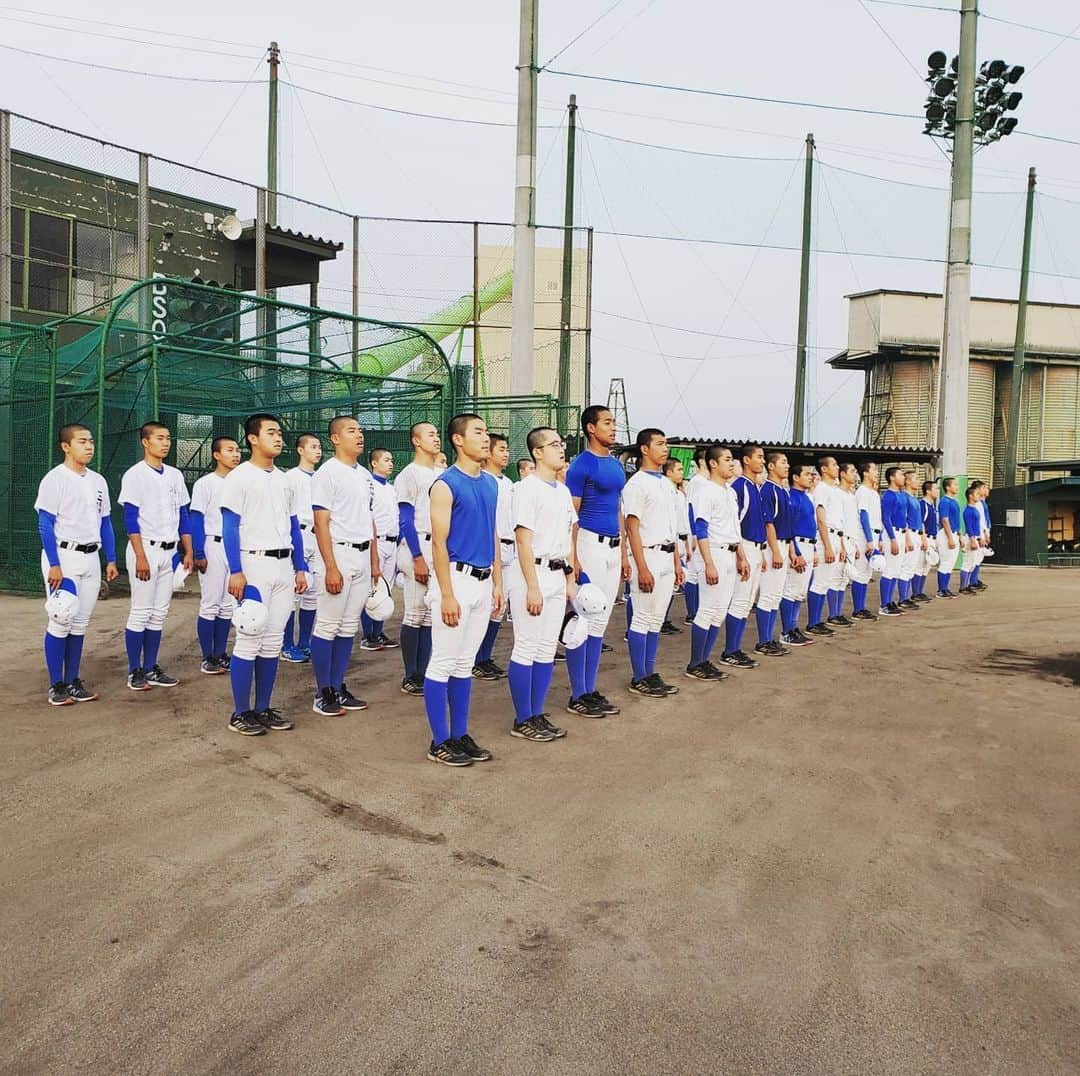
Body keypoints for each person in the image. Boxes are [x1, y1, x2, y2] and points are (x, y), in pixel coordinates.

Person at [220, 413, 308, 735]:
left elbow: (294, 526)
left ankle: (263, 708)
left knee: (272, 643)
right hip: (252, 564)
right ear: (252, 439)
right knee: (249, 637)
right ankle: (240, 712)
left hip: (283, 566)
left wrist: (301, 566)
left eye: (280, 432)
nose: (278, 437)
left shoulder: (285, 479)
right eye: (271, 432)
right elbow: (229, 525)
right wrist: (236, 570)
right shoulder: (239, 477)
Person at [423, 413, 503, 767]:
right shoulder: (445, 484)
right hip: (455, 580)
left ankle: (459, 733)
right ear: (458, 440)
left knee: (465, 664)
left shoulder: (491, 483)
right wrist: (447, 594)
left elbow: (493, 535)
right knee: (443, 662)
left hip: (484, 582)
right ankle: (439, 741)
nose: (486, 439)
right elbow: (438, 545)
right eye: (478, 432)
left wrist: (498, 582)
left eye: (486, 432)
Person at [34, 423, 119, 705]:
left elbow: (105, 522)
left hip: (90, 556)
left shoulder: (98, 481)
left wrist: (111, 558)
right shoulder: (54, 479)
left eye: (91, 441)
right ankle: (56, 684)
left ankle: (72, 680)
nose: (89, 446)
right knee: (61, 617)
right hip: (63, 555)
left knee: (80, 623)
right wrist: (55, 565)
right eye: (82, 441)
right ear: (66, 446)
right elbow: (45, 523)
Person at [505, 427, 575, 742]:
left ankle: (536, 712)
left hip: (558, 574)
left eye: (562, 444)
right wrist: (532, 586)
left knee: (547, 648)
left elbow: (568, 537)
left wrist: (571, 578)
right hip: (532, 574)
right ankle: (523, 718)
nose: (561, 449)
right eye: (554, 444)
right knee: (527, 645)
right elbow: (523, 540)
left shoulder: (560, 490)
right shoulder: (527, 488)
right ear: (537, 452)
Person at [308, 416, 380, 717]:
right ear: (335, 438)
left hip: (363, 555)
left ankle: (338, 685)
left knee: (348, 626)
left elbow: (369, 518)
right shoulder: (327, 473)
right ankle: (323, 691)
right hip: (338, 554)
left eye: (361, 430)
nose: (359, 435)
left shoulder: (364, 475)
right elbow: (321, 522)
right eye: (352, 431)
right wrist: (330, 566)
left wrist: (375, 561)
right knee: (327, 624)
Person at [118, 421, 193, 691]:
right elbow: (130, 518)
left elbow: (183, 514)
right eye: (159, 438)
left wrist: (189, 551)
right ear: (145, 442)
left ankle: (151, 666)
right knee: (140, 612)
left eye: (168, 438)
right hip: (145, 549)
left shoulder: (174, 474)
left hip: (169, 549)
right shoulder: (135, 475)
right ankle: (134, 670)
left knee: (159, 613)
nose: (166, 442)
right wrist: (139, 556)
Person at [564, 405, 628, 718]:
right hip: (588, 543)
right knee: (584, 618)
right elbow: (571, 516)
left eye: (613, 422)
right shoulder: (581, 466)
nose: (613, 427)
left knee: (600, 622)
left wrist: (625, 553)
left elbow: (618, 509)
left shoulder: (615, 466)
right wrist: (573, 558)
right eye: (607, 422)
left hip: (613, 548)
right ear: (591, 428)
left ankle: (589, 689)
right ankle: (578, 694)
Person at [622, 428, 682, 697]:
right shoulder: (637, 484)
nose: (664, 448)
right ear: (644, 449)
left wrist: (678, 563)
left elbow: (673, 528)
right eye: (659, 444)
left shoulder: (667, 484)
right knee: (642, 617)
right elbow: (631, 527)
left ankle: (649, 670)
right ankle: (639, 677)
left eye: (665, 443)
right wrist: (642, 566)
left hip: (667, 555)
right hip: (647, 554)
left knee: (656, 619)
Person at [686, 444, 749, 679]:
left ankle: (705, 660)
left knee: (720, 611)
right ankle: (695, 663)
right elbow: (701, 529)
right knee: (707, 609)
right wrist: (709, 563)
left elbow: (735, 528)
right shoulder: (705, 490)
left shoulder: (729, 492)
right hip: (714, 552)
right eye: (727, 459)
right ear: (713, 463)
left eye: (732, 460)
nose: (732, 464)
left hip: (731, 551)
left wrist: (741, 556)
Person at [395, 421, 441, 695]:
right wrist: (417, 556)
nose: (436, 438)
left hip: (438, 546)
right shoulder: (409, 474)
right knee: (414, 613)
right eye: (430, 434)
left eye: (437, 434)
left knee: (428, 617)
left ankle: (422, 672)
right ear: (416, 440)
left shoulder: (441, 472)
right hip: (418, 546)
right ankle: (410, 675)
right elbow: (405, 519)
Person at [190, 435, 242, 675]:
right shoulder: (206, 483)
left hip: (236, 545)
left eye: (238, 449)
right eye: (229, 450)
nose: (236, 453)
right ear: (216, 455)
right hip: (212, 543)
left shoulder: (241, 481)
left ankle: (220, 653)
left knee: (226, 605)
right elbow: (197, 517)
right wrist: (198, 550)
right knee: (210, 603)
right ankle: (207, 656)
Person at [720, 444, 767, 669]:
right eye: (759, 457)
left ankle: (735, 648)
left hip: (756, 547)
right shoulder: (740, 487)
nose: (762, 461)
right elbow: (734, 524)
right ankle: (730, 650)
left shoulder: (755, 487)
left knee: (747, 602)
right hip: (744, 546)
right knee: (739, 600)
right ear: (746, 460)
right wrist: (740, 555)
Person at [473, 432, 514, 680]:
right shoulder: (482, 480)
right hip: (490, 549)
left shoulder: (508, 483)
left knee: (499, 608)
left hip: (510, 550)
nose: (505, 453)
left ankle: (485, 657)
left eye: (506, 448)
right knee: (485, 607)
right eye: (500, 448)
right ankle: (475, 658)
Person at [282, 432, 323, 663]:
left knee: (312, 595)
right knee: (292, 594)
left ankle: (304, 642)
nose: (317, 451)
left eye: (319, 447)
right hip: (297, 534)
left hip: (318, 536)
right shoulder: (291, 477)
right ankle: (286, 644)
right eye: (313, 447)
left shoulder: (320, 477)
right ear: (300, 450)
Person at [360, 446, 400, 651]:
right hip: (377, 542)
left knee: (386, 589)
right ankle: (368, 635)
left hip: (392, 542)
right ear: (374, 463)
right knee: (372, 589)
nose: (390, 463)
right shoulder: (369, 486)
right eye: (386, 459)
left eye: (391, 459)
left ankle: (379, 631)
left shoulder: (391, 488)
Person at [755, 451, 793, 656]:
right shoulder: (768, 490)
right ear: (771, 466)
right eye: (783, 462)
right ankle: (763, 641)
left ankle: (769, 638)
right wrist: (776, 552)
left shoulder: (783, 490)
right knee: (768, 594)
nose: (787, 466)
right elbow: (769, 523)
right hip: (773, 546)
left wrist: (791, 551)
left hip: (784, 544)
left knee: (776, 595)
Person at [806, 455, 846, 636]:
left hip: (836, 536)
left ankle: (818, 621)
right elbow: (821, 520)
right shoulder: (821, 489)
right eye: (834, 464)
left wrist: (842, 546)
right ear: (824, 469)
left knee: (827, 581)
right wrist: (828, 546)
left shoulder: (835, 491)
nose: (837, 467)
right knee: (820, 581)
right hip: (826, 538)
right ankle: (813, 622)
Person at [779, 463, 816, 647]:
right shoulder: (791, 498)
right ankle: (786, 630)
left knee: (800, 591)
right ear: (796, 477)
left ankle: (793, 627)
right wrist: (796, 552)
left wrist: (814, 551)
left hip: (809, 544)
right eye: (807, 474)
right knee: (791, 589)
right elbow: (789, 527)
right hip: (798, 544)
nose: (811, 477)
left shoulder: (806, 498)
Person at [661, 456, 690, 635]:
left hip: (678, 540)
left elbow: (682, 521)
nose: (682, 473)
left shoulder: (678, 493)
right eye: (678, 469)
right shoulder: (664, 491)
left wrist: (687, 544)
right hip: (665, 543)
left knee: (672, 584)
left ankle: (664, 619)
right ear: (669, 471)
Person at [850, 461, 881, 622]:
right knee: (861, 572)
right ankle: (858, 609)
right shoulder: (862, 491)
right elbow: (864, 515)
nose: (876, 472)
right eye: (874, 470)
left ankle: (861, 607)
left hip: (874, 535)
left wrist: (878, 539)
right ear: (865, 473)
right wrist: (869, 540)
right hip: (864, 535)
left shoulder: (873, 492)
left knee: (867, 573)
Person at [682, 446, 709, 625]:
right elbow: (691, 509)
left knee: (697, 574)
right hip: (697, 533)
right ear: (701, 461)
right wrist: (692, 534)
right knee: (693, 574)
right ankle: (692, 612)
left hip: (700, 533)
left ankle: (695, 610)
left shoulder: (703, 481)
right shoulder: (698, 481)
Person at [836, 462, 864, 625]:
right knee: (836, 579)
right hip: (842, 539)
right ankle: (833, 614)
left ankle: (838, 613)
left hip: (852, 540)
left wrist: (856, 545)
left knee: (844, 580)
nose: (855, 474)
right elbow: (838, 521)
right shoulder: (837, 494)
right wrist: (842, 544)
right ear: (842, 474)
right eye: (852, 471)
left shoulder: (851, 495)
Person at [878, 466, 908, 617]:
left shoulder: (902, 495)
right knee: (889, 570)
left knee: (896, 569)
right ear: (892, 478)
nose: (904, 477)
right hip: (893, 533)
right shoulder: (889, 495)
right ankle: (884, 604)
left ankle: (890, 602)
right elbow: (886, 518)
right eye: (901, 475)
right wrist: (892, 539)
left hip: (902, 532)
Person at [902, 471, 929, 607]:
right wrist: (907, 538)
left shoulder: (915, 499)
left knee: (912, 567)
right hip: (909, 533)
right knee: (906, 567)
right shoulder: (905, 498)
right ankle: (903, 598)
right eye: (916, 478)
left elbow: (920, 521)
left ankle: (906, 597)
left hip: (917, 533)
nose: (918, 481)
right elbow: (904, 519)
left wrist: (923, 537)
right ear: (907, 481)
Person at [936, 477, 961, 597]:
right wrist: (950, 537)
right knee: (945, 562)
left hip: (954, 533)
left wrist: (959, 536)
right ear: (947, 487)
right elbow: (944, 520)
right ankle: (941, 589)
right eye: (954, 485)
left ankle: (946, 588)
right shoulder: (944, 501)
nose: (957, 487)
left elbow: (956, 520)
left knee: (950, 563)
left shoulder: (954, 501)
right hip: (946, 533)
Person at [918, 479, 940, 603]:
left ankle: (920, 591)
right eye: (935, 488)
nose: (937, 491)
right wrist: (923, 539)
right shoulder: (923, 505)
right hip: (925, 538)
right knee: (920, 566)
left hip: (932, 538)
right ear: (928, 491)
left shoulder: (932, 506)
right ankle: (916, 593)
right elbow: (920, 522)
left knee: (926, 567)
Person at [960, 486, 984, 595]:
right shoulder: (968, 510)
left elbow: (977, 525)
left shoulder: (974, 509)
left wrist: (979, 537)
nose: (979, 496)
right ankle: (963, 586)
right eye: (976, 494)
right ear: (970, 496)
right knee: (967, 562)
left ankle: (968, 584)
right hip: (970, 537)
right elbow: (969, 526)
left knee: (972, 563)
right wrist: (973, 539)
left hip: (975, 537)